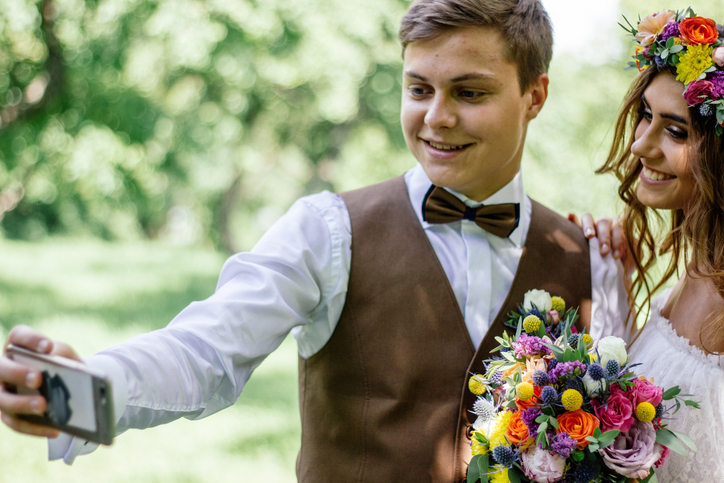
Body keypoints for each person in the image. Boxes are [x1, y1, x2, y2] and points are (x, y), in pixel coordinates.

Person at [0, 0, 627, 480]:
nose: (436, 117)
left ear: (535, 95)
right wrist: (77, 391)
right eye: (418, 89)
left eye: (470, 92)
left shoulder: (590, 255)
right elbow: (205, 353)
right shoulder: (328, 231)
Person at [590, 8, 724, 481]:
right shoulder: (699, 266)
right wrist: (613, 279)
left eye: (675, 130)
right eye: (646, 115)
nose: (639, 146)